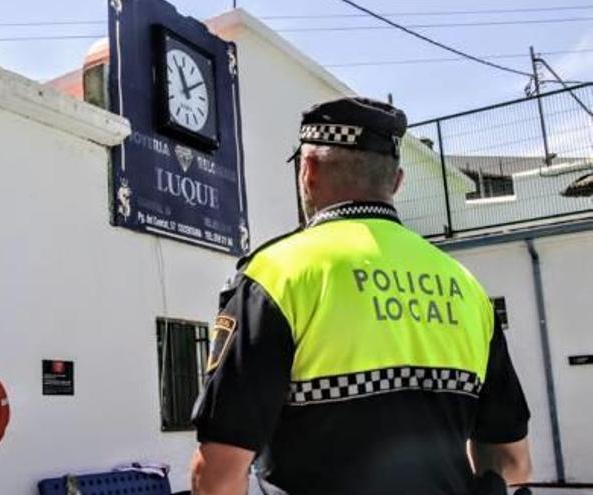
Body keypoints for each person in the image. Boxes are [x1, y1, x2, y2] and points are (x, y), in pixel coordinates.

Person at [190, 97, 532, 495]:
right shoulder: (466, 288)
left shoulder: (277, 275)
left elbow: (217, 474)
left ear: (308, 171)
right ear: (398, 181)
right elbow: (512, 461)